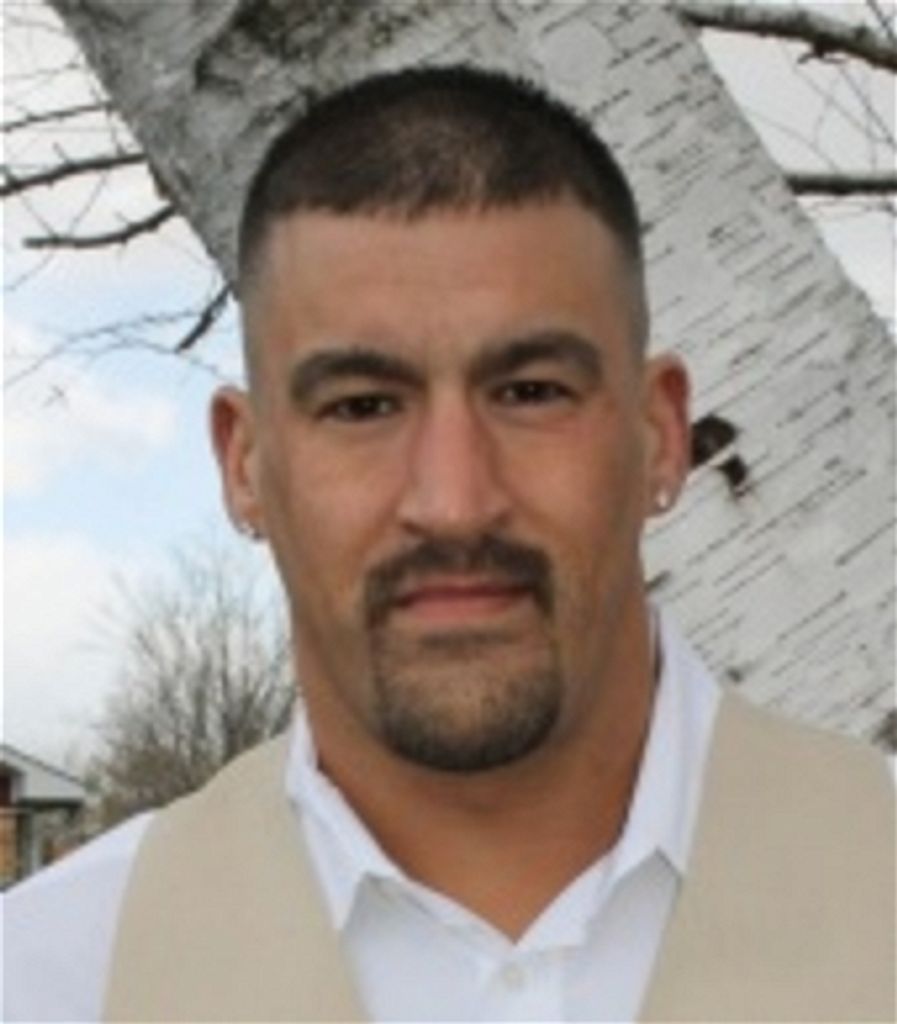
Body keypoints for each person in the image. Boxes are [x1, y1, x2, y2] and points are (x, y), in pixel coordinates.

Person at [3, 65, 893, 1024]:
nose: (455, 503)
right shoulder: (49, 978)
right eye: (362, 406)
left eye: (531, 393)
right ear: (244, 465)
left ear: (660, 436)